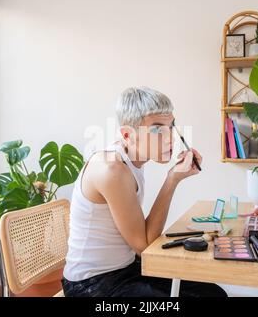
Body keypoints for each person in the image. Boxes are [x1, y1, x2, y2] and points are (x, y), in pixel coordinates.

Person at [62, 87, 227, 297]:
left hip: (128, 269)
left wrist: (173, 177)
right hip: (92, 285)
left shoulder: (133, 159)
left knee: (214, 294)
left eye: (171, 126)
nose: (170, 138)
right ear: (128, 135)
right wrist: (172, 179)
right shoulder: (112, 169)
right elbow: (144, 246)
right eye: (158, 130)